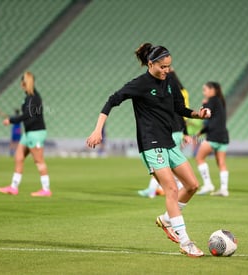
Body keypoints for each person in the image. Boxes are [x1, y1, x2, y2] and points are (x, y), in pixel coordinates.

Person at [86, 43, 210, 257]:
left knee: (192, 185)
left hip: (169, 141)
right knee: (171, 189)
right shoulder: (140, 84)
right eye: (162, 67)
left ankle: (166, 220)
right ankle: (185, 241)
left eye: (169, 66)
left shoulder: (170, 81)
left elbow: (180, 109)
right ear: (151, 63)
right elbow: (111, 101)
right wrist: (98, 130)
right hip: (150, 143)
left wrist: (199, 114)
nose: (166, 71)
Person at [137, 69, 190, 198]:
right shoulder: (181, 93)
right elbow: (184, 114)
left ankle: (154, 191)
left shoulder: (166, 93)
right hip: (177, 131)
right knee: (167, 165)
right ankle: (162, 189)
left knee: (162, 164)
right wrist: (186, 133)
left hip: (168, 132)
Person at [0, 71, 51, 197]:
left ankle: (46, 189)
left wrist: (11, 120)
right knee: (19, 157)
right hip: (28, 133)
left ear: (24, 83)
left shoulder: (33, 98)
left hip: (36, 133)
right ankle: (13, 187)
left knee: (38, 161)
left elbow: (27, 115)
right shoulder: (28, 98)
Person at [196, 82, 230, 197]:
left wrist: (204, 106)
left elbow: (207, 114)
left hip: (213, 136)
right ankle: (224, 189)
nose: (204, 92)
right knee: (221, 162)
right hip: (224, 136)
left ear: (212, 90)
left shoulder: (212, 101)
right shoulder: (220, 101)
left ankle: (207, 184)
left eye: (205, 90)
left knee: (199, 158)